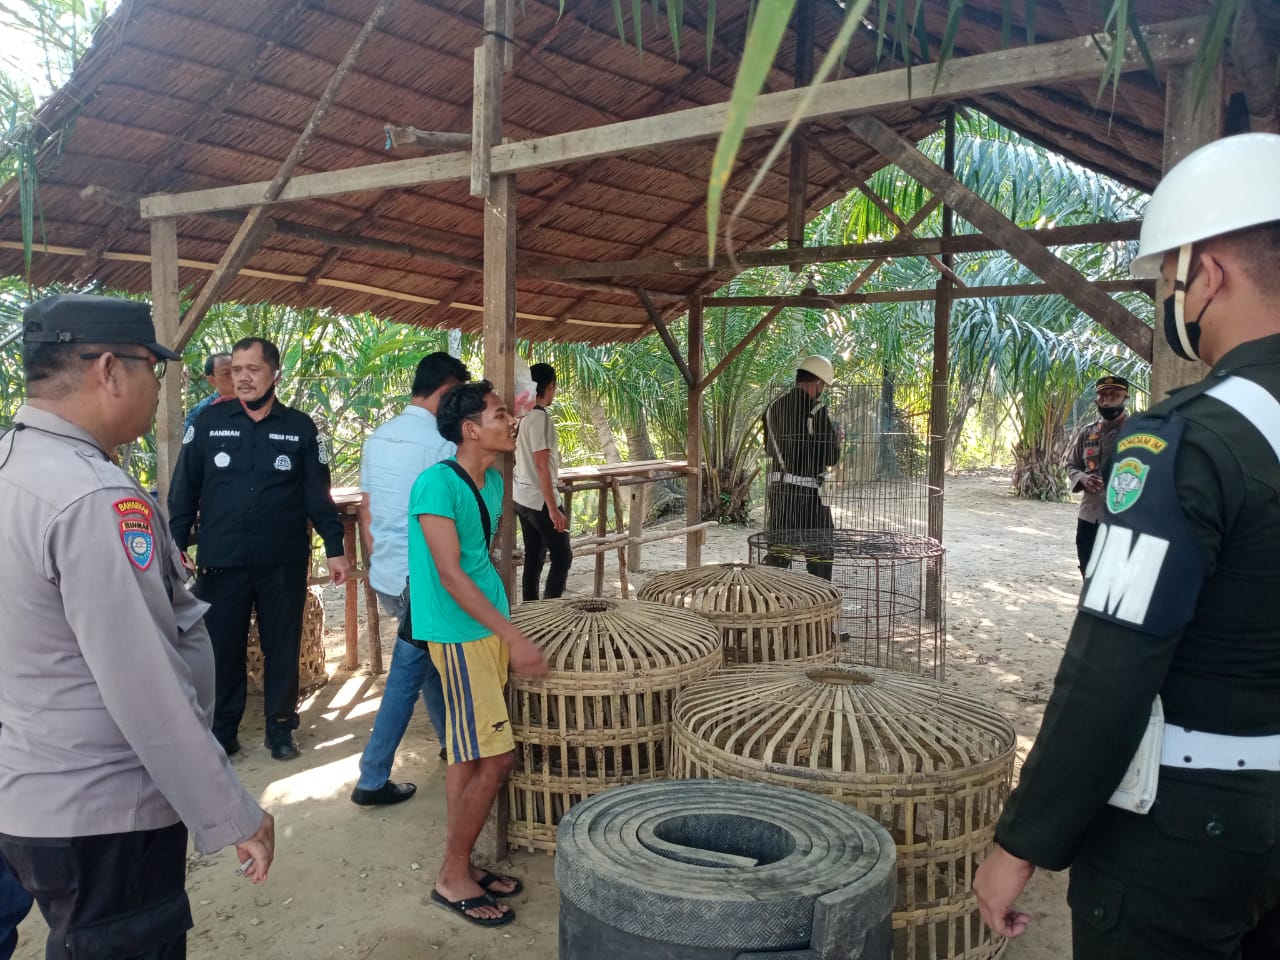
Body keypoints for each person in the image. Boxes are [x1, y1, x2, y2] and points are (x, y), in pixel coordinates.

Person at [974, 132, 1280, 958]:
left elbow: (1111, 662)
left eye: (1170, 280)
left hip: (1186, 826)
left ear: (1207, 274)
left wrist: (1022, 840)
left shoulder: (1188, 441)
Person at [0, 295, 273, 960]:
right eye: (153, 368)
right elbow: (145, 684)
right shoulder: (92, 499)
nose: (160, 387)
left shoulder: (16, 466)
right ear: (110, 372)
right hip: (103, 810)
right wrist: (230, 811)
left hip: (32, 786)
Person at [169, 336, 350, 761]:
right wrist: (175, 545)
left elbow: (317, 495)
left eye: (253, 369)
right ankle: (223, 730)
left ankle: (281, 728)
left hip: (282, 560)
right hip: (222, 560)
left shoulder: (301, 428)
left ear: (274, 375)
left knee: (281, 644)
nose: (243, 377)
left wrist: (335, 546)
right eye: (237, 369)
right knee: (221, 647)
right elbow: (183, 491)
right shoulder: (209, 425)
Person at [409, 381, 548, 927]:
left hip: (487, 629)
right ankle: (452, 875)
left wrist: (505, 627)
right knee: (497, 759)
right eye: (498, 414)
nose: (510, 421)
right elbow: (449, 573)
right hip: (462, 636)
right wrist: (513, 638)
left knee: (468, 755)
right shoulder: (435, 486)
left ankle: (461, 863)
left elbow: (478, 561)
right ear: (470, 429)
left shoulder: (488, 484)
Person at [350, 351, 470, 806]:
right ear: (445, 392)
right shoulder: (443, 447)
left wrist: (381, 560)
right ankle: (373, 775)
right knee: (408, 675)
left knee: (425, 669)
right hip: (422, 579)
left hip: (387, 574)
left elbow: (366, 509)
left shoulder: (377, 438)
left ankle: (452, 742)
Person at [761, 354, 841, 580]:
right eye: (823, 385)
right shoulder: (816, 411)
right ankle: (819, 602)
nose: (822, 390)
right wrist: (835, 439)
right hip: (809, 497)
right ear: (817, 383)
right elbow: (831, 457)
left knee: (779, 553)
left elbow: (768, 444)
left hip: (779, 494)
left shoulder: (772, 409)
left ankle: (768, 601)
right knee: (821, 553)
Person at [513, 362, 572, 601]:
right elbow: (541, 465)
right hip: (539, 500)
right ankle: (550, 610)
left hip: (522, 498)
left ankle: (531, 609)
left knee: (534, 557)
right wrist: (553, 509)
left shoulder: (523, 416)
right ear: (549, 386)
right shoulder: (540, 419)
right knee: (562, 557)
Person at [1064, 374, 1130, 573]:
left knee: (1117, 577)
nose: (1107, 399)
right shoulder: (1087, 432)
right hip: (1089, 516)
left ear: (1125, 398)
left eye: (1113, 394)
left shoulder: (1138, 431)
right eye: (1102, 395)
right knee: (1089, 570)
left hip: (1124, 518)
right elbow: (1070, 464)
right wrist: (1083, 478)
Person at [183, 351, 233, 431]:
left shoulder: (254, 405)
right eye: (227, 373)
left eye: (237, 371)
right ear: (211, 380)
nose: (234, 377)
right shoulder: (202, 411)